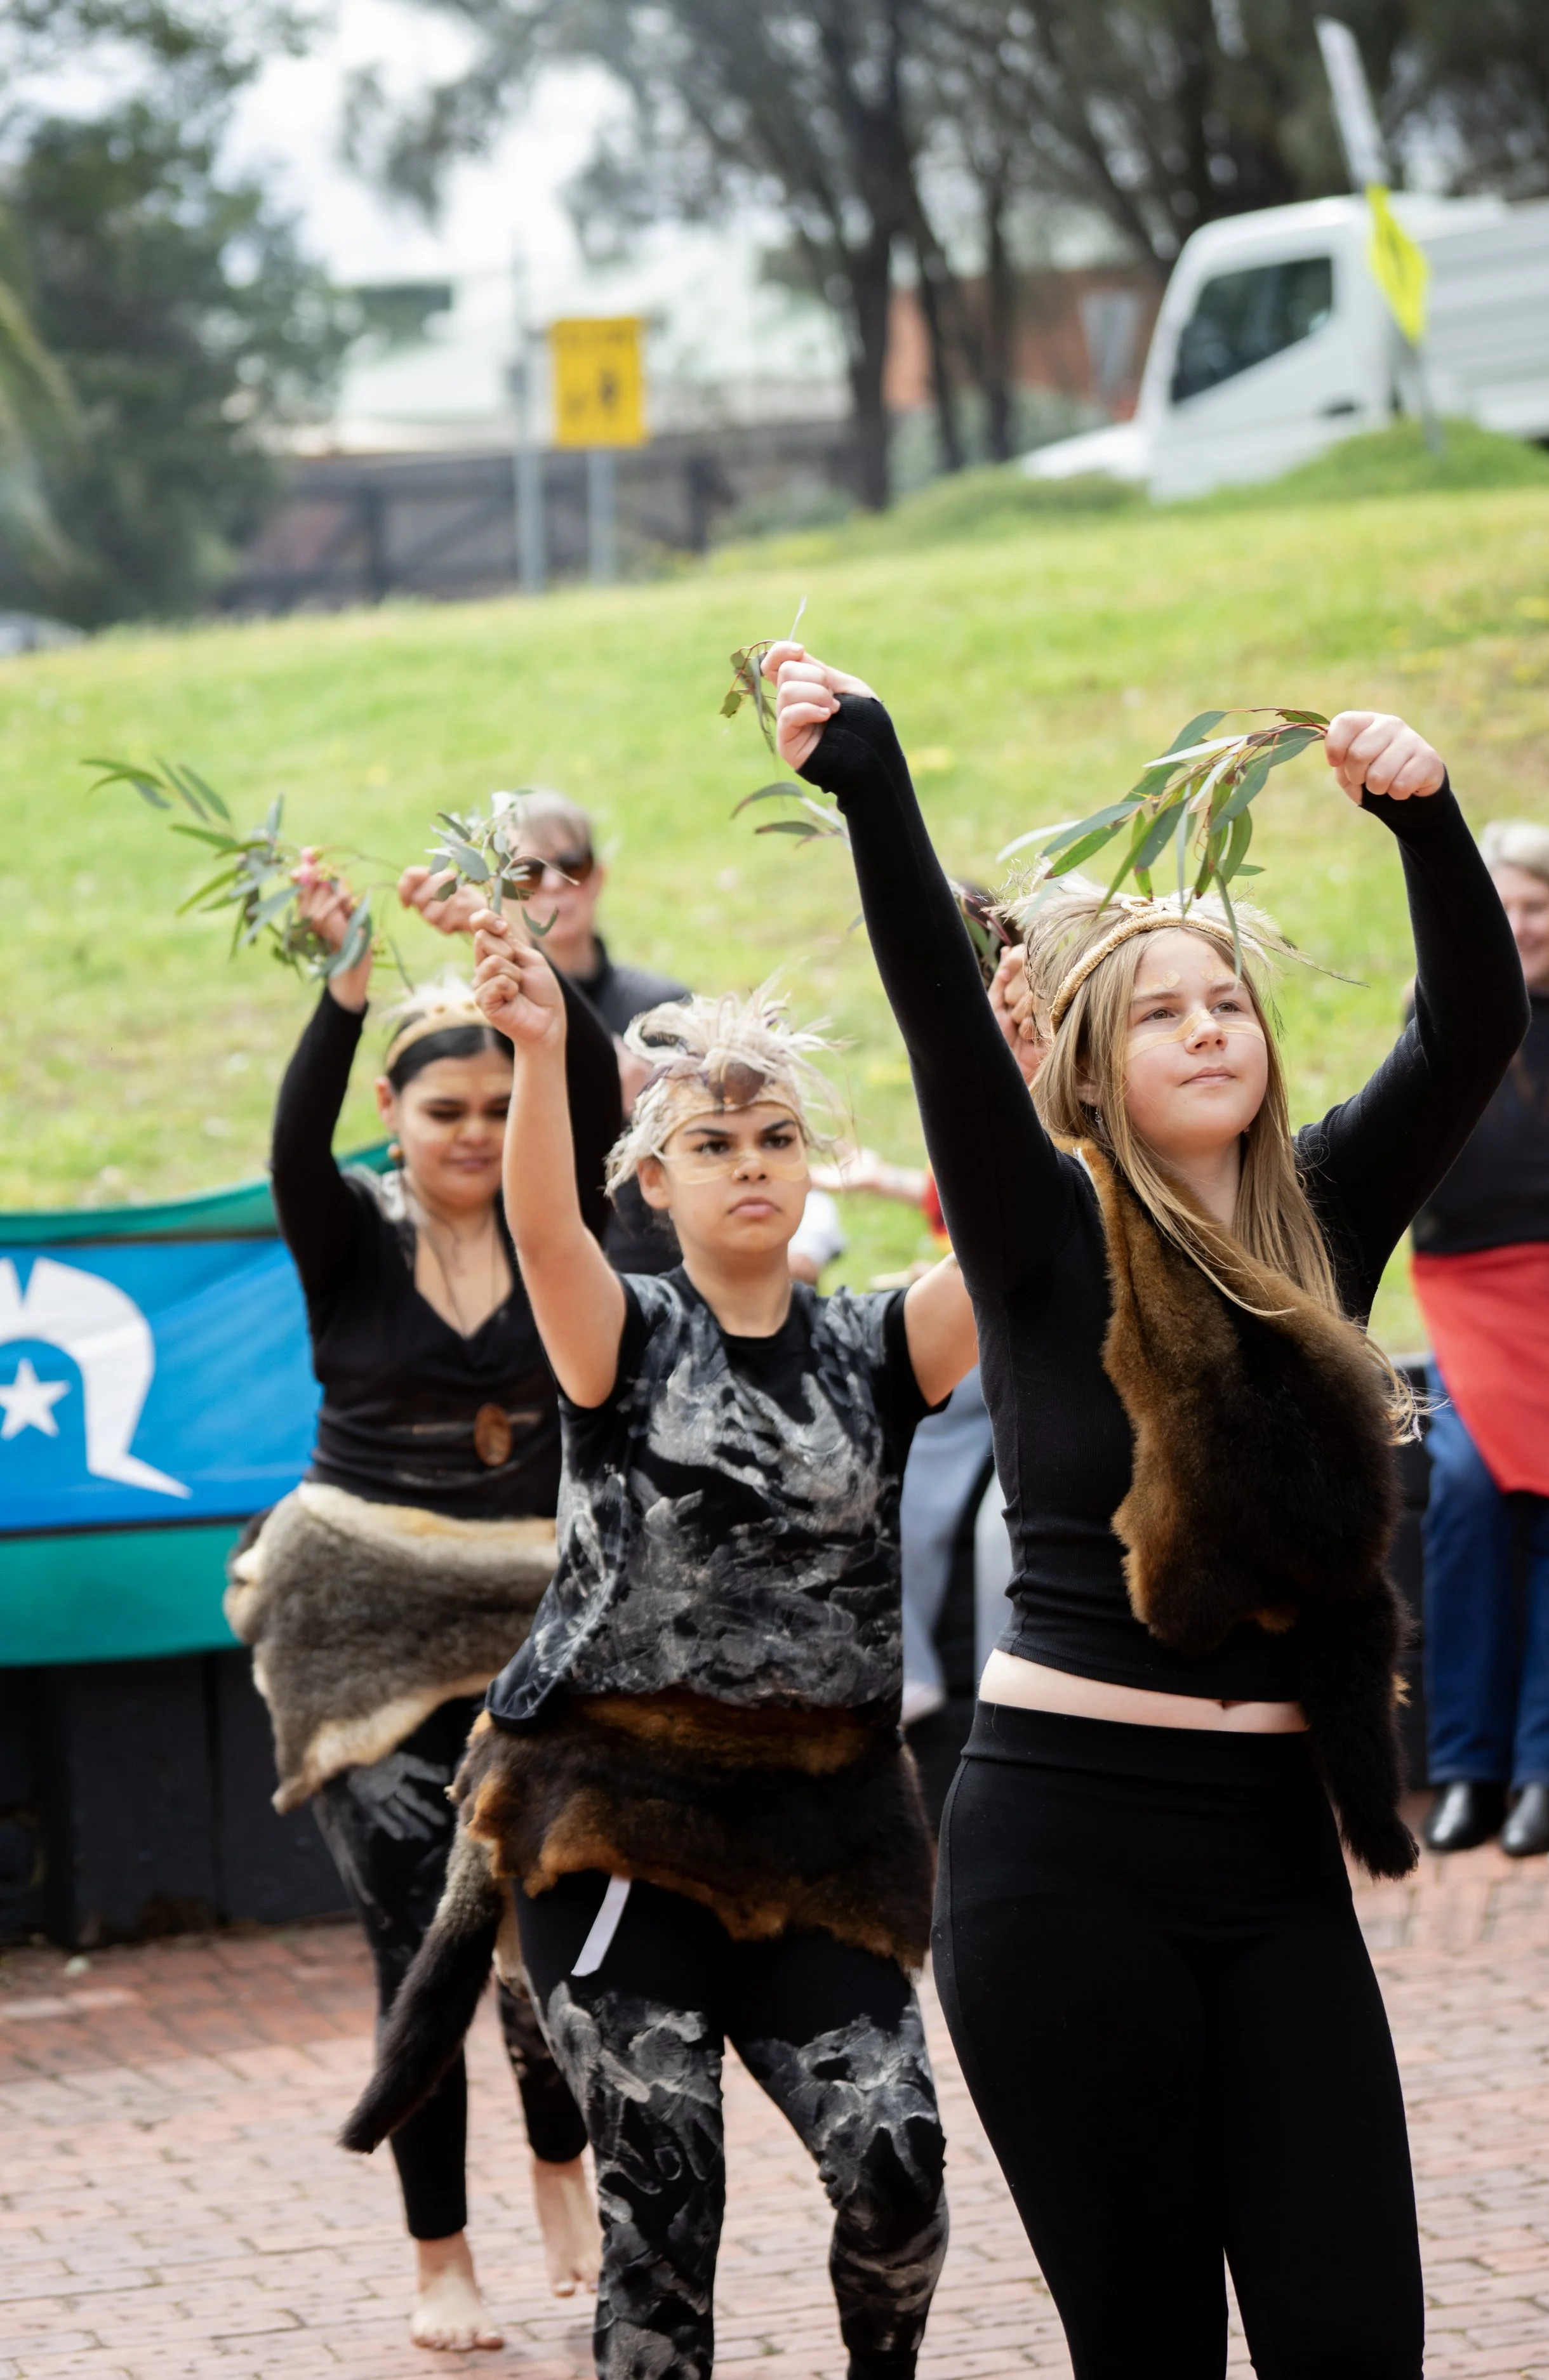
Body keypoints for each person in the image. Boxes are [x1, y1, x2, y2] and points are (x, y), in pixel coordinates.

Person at [769, 641, 1527, 2379]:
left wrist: (1421, 815)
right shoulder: (1038, 1226)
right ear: (1094, 1068)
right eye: (1162, 1007)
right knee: (1153, 2346)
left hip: (1273, 1862)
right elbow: (934, 1009)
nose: (1204, 1023)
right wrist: (870, 770)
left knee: (1354, 2337)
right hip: (1064, 1858)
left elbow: (1470, 1022)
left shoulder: (1322, 1219)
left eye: (1228, 998)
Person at [342, 956, 980, 2380]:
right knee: (667, 2182)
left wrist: (1011, 1064)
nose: (748, 1167)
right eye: (710, 1145)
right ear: (655, 1178)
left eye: (773, 1140)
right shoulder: (620, 1333)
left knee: (898, 2169)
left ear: (810, 1165)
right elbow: (539, 1223)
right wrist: (539, 1036)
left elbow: (1018, 1236)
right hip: (616, 1821)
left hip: (826, 1838)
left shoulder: (881, 1344)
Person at [226, 868, 620, 2351]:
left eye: (492, 1105)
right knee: (424, 1930)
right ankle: (440, 2252)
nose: (468, 1130)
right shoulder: (342, 1231)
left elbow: (572, 1068)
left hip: (534, 1627)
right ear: (391, 1113)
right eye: (439, 1107)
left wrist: (512, 965)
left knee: (553, 1919)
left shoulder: (558, 1222)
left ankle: (562, 2151)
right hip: (366, 1636)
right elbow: (289, 1131)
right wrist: (345, 980)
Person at [1414, 820, 1549, 1859]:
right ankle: (1466, 1766)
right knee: (1468, 1494)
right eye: (1502, 904)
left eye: (1539, 907)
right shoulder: (1442, 1018)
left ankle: (1548, 1777)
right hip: (1476, 1298)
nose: (1518, 925)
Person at [399, 785, 688, 1273]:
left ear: (597, 878)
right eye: (530, 872)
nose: (555, 887)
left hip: (650, 1250)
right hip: (527, 1260)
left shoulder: (662, 1007)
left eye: (571, 865)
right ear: (500, 888)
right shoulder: (485, 1020)